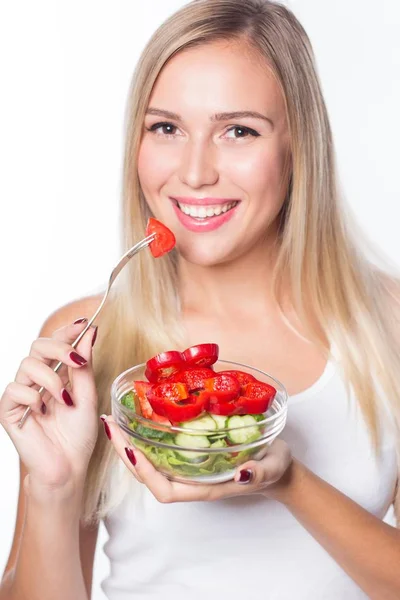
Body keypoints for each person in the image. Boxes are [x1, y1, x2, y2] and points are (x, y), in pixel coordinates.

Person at [1, 0, 400, 598]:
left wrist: (287, 479)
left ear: (298, 148)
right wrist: (51, 488)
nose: (194, 173)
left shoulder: (388, 322)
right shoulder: (87, 334)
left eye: (238, 130)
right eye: (166, 128)